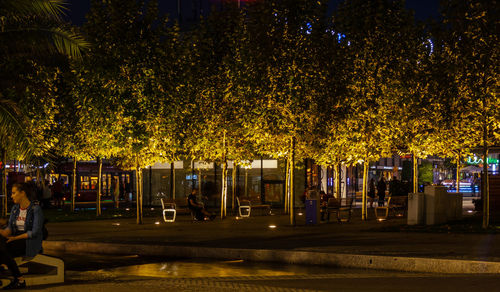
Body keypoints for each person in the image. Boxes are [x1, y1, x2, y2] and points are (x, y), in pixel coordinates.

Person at [0, 182, 44, 289]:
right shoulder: (15, 209)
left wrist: (15, 238)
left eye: (14, 193)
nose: (11, 196)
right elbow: (9, 229)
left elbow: (34, 233)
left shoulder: (35, 209)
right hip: (15, 239)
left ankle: (19, 279)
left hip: (30, 242)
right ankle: (17, 278)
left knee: (2, 249)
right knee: (1, 245)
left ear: (22, 193)